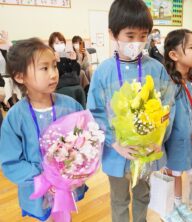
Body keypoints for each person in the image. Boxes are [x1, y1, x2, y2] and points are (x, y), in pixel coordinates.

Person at [87, 1, 175, 222]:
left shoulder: (156, 68)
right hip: (116, 153)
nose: (137, 42)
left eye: (143, 36)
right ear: (112, 34)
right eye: (130, 35)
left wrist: (159, 138)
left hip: (147, 152)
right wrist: (114, 141)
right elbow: (94, 112)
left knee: (142, 195)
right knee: (118, 199)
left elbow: (168, 107)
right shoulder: (103, 72)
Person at [0, 38, 87, 221]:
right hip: (37, 190)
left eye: (54, 66)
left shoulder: (71, 106)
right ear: (19, 76)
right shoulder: (16, 118)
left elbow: (86, 140)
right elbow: (11, 162)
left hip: (67, 186)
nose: (54, 74)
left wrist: (76, 169)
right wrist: (43, 177)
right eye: (44, 68)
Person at [163, 29, 192, 222]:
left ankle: (177, 203)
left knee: (179, 172)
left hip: (188, 139)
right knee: (171, 173)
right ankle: (168, 207)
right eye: (191, 47)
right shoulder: (169, 84)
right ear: (174, 55)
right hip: (172, 142)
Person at [49, 32, 86, 107]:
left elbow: (76, 72)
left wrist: (73, 61)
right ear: (52, 45)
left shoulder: (67, 55)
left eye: (62, 42)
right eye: (57, 43)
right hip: (61, 86)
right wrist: (57, 62)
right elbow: (58, 74)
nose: (60, 44)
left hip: (73, 83)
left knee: (79, 89)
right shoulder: (50, 58)